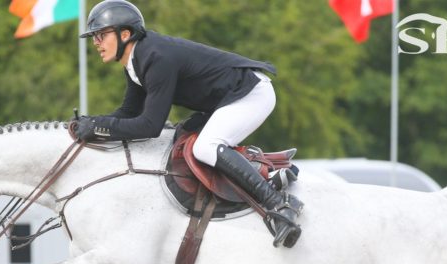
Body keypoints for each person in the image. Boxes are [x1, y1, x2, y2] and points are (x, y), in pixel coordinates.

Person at [74, 0, 303, 247]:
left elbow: (150, 126)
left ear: (125, 34)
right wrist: (94, 125)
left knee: (204, 147)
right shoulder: (136, 62)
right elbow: (128, 112)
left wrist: (99, 127)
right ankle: (268, 176)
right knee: (179, 139)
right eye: (94, 36)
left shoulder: (155, 57)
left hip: (251, 94)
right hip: (226, 100)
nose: (95, 42)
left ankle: (279, 204)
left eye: (101, 35)